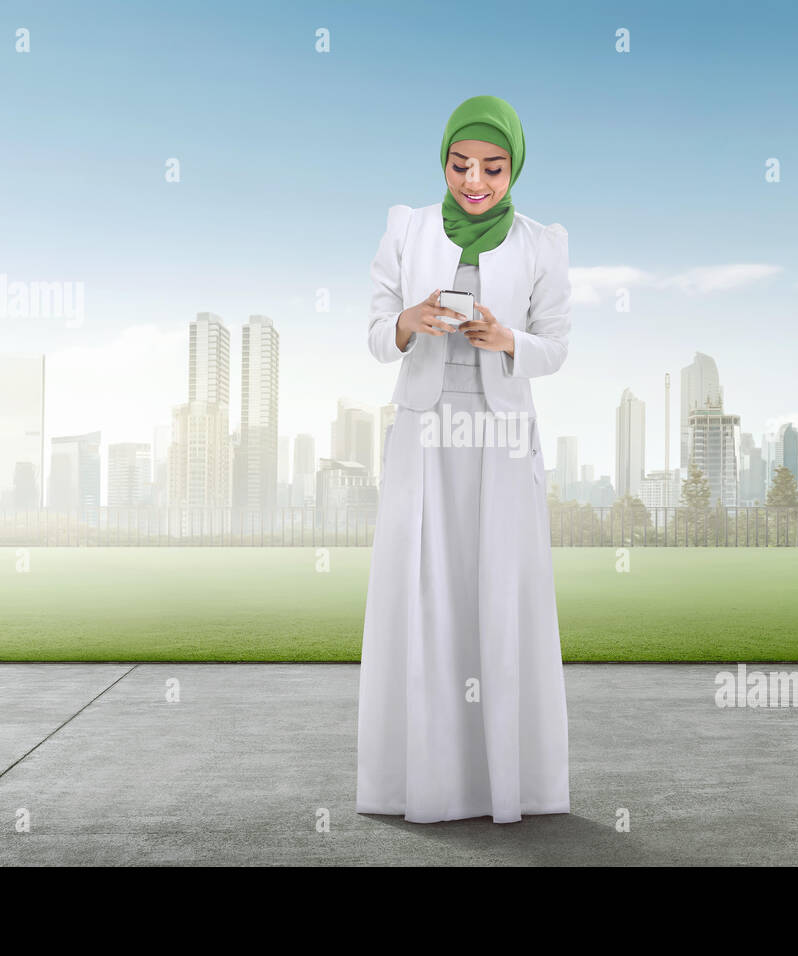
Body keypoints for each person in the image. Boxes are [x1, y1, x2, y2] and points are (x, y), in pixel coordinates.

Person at [355, 94, 573, 824]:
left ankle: (508, 784)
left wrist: (509, 339)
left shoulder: (544, 243)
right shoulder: (408, 228)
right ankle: (421, 783)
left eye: (492, 167)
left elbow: (557, 347)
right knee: (425, 588)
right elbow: (374, 330)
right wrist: (410, 323)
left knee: (498, 589)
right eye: (460, 164)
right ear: (443, 159)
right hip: (424, 430)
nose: (474, 180)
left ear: (515, 167)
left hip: (501, 434)